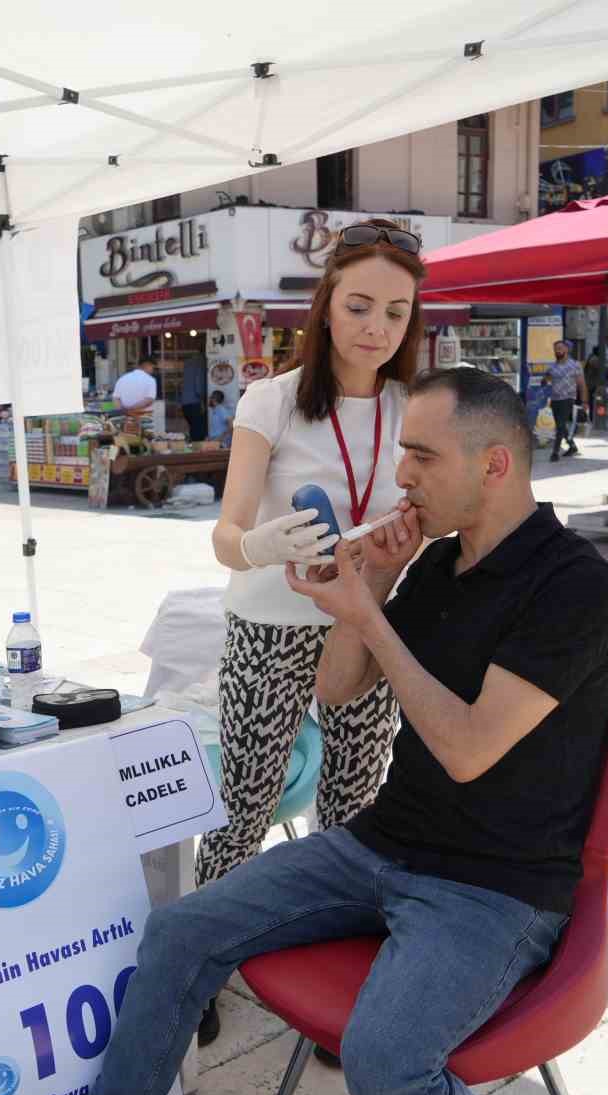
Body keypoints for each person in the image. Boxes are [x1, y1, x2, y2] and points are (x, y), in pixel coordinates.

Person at [16, 367, 608, 1095]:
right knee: (180, 931)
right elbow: (339, 688)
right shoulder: (439, 564)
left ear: (495, 465)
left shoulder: (574, 585)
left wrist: (373, 614)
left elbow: (468, 748)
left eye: (422, 455)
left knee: (386, 1067)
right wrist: (369, 583)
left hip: (496, 886)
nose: (402, 475)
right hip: (383, 843)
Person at [201, 218, 423, 1046]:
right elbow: (225, 533)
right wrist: (258, 544)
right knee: (245, 802)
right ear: (327, 303)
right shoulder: (273, 399)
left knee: (355, 804)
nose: (375, 328)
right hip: (272, 622)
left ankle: (335, 985)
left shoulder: (413, 406)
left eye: (395, 314)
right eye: (360, 304)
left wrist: (401, 541)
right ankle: (204, 965)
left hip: (370, 621)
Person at [546, 340, 584, 460]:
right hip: (555, 399)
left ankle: (555, 452)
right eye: (556, 348)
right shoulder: (552, 366)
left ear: (567, 349)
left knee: (560, 425)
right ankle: (572, 446)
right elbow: (547, 379)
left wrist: (585, 401)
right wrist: (544, 380)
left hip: (568, 398)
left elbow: (582, 384)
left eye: (560, 348)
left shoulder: (575, 365)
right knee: (561, 425)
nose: (558, 350)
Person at [111, 358, 159, 433]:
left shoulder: (123, 378)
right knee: (144, 439)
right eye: (153, 367)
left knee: (126, 439)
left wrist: (123, 410)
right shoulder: (150, 380)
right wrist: (132, 409)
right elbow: (149, 400)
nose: (153, 370)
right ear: (147, 365)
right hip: (143, 418)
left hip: (124, 418)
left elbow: (115, 398)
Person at [180, 352, 208, 442]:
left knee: (194, 429)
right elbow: (199, 386)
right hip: (195, 402)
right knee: (199, 432)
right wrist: (204, 400)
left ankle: (193, 450)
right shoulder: (201, 362)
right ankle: (198, 452)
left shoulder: (188, 362)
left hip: (185, 402)